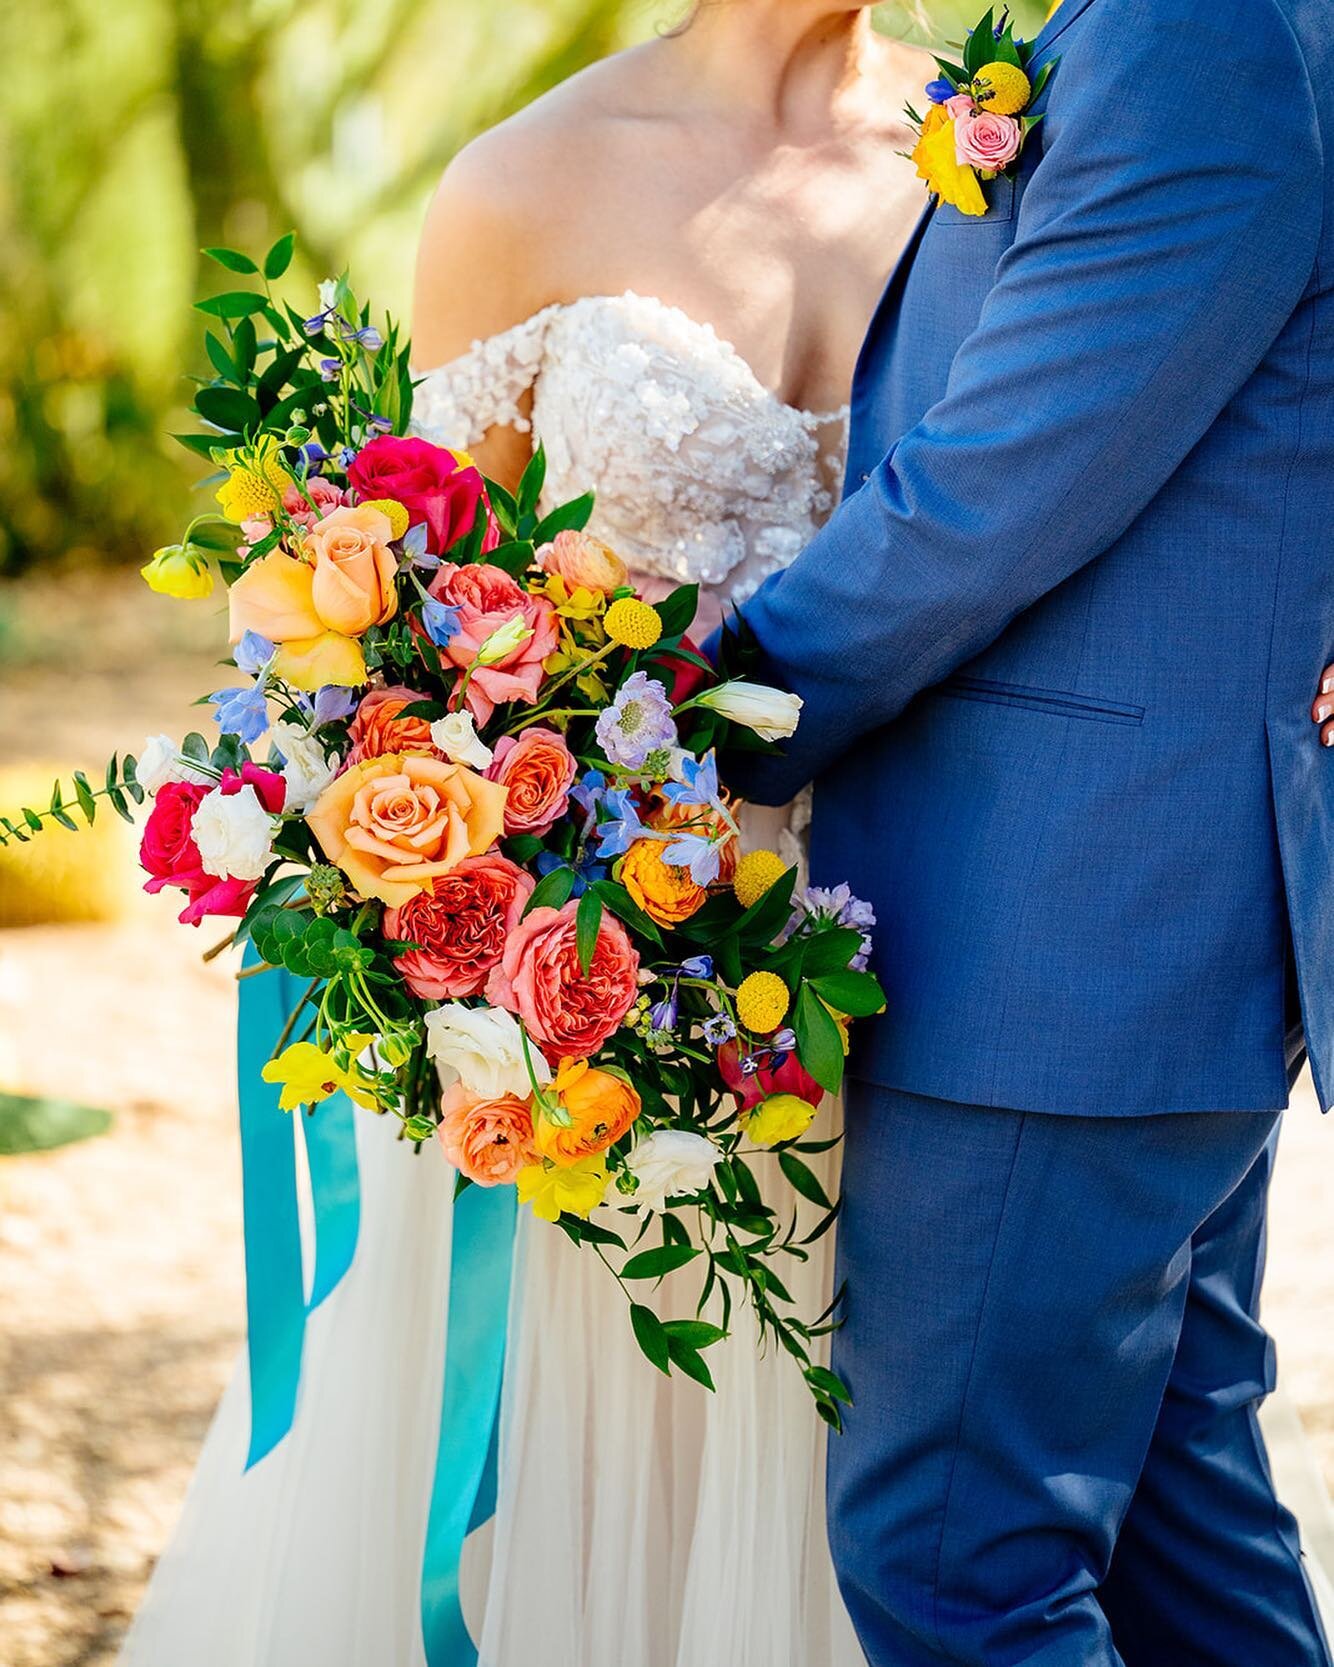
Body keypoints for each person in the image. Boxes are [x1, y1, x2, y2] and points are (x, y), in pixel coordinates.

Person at [120, 6, 926, 1663]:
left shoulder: (988, 159)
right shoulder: (527, 184)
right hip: (578, 988)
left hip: (896, 959)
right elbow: (423, 633)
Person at [708, 0, 1334, 1662]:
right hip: (1121, 903)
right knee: (1177, 1531)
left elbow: (1003, 479)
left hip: (1071, 915)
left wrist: (698, 720)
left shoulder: (1194, 30)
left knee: (954, 1569)